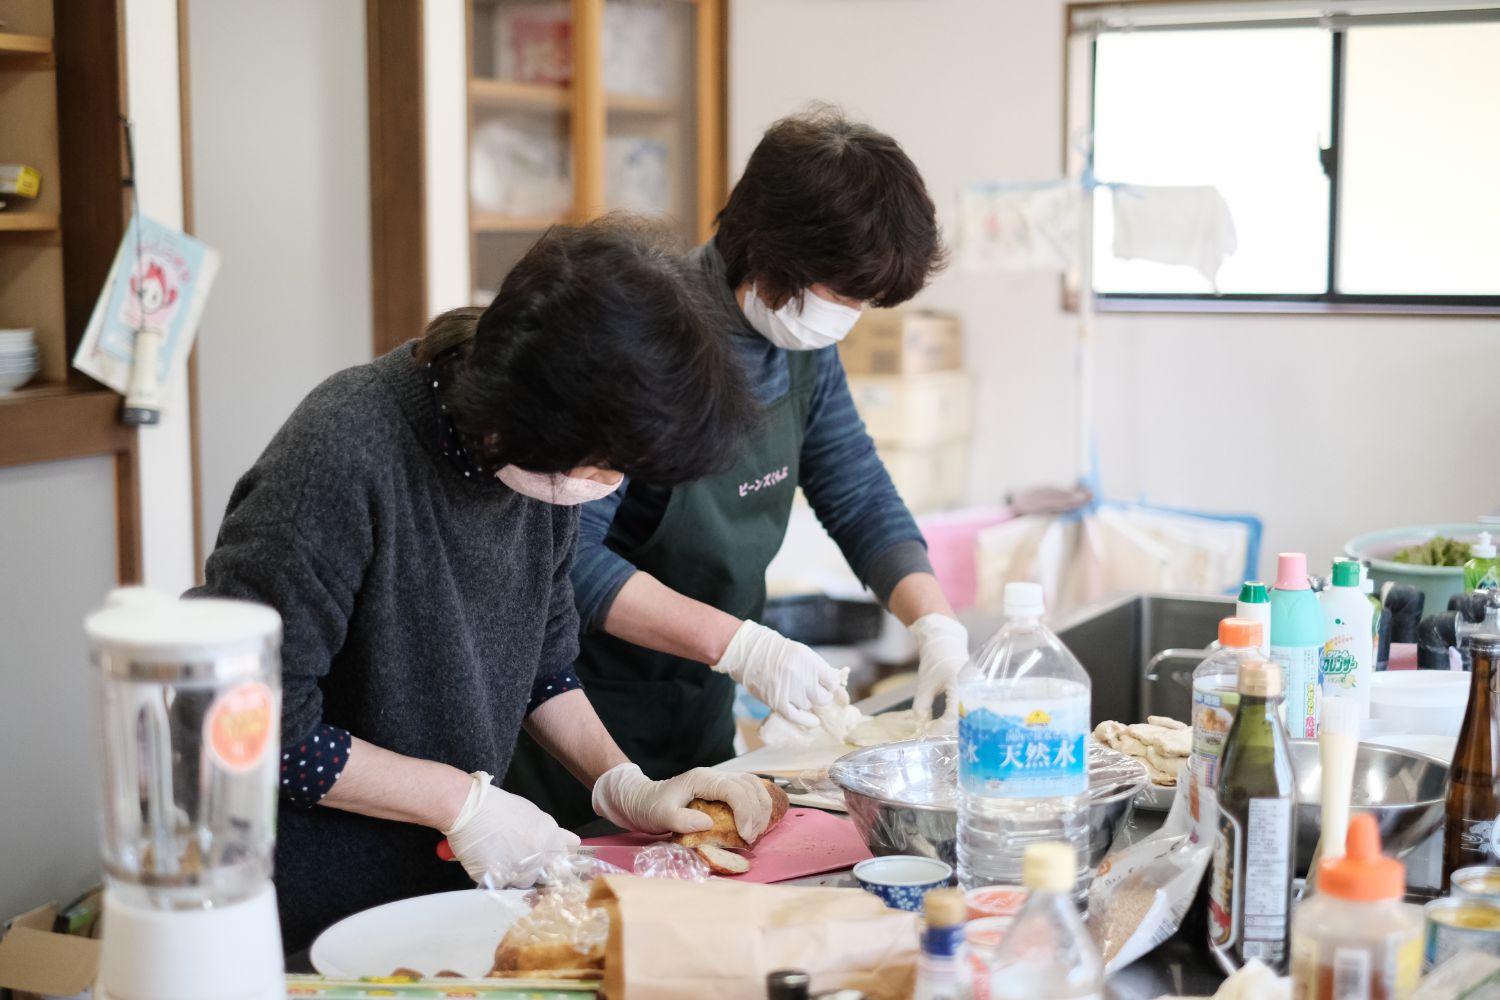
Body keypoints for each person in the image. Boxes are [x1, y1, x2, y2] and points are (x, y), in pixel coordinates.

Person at [193, 219, 774, 950]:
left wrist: (625, 786)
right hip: (314, 913)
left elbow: (541, 666)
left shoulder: (539, 469)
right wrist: (459, 802)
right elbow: (251, 722)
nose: (609, 486)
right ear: (538, 416)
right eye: (603, 464)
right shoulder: (346, 453)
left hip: (447, 895)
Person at [505, 109, 971, 829]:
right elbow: (566, 560)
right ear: (766, 247)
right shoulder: (650, 339)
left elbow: (855, 489)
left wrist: (935, 627)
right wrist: (740, 645)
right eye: (843, 295)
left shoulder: (801, 344)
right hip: (581, 718)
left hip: (699, 711)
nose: (850, 316)